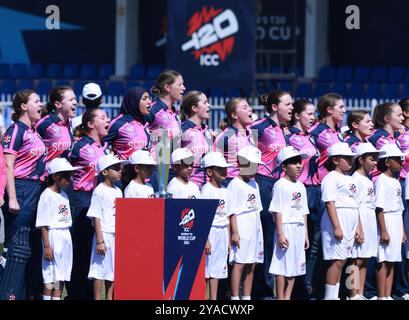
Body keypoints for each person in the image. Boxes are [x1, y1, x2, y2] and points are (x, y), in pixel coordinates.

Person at [0, 89, 46, 300]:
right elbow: (8, 165)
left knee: (27, 248)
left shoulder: (33, 131)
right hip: (20, 189)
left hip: (35, 189)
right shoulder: (15, 130)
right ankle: (9, 295)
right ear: (23, 106)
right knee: (17, 248)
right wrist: (12, 197)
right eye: (36, 101)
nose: (41, 104)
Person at [250, 90, 292, 299]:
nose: (292, 108)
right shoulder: (259, 127)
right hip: (263, 182)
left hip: (280, 185)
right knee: (266, 236)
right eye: (287, 104)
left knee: (278, 234)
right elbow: (236, 142)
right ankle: (263, 289)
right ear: (275, 107)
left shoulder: (286, 131)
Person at [67, 108, 110, 300]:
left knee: (95, 250)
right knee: (81, 248)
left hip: (100, 199)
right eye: (102, 117)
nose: (107, 119)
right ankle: (76, 294)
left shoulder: (106, 147)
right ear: (91, 124)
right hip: (81, 200)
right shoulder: (79, 146)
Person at [320, 142, 362, 300]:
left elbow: (354, 204)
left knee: (346, 259)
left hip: (351, 221)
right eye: (347, 158)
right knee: (336, 260)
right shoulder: (330, 178)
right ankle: (330, 296)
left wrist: (358, 227)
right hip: (337, 220)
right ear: (336, 160)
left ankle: (346, 295)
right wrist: (336, 226)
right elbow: (330, 203)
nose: (351, 162)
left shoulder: (350, 179)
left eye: (352, 158)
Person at [287, 99, 320, 296]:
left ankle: (305, 285)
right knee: (295, 239)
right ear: (297, 115)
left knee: (312, 240)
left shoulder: (311, 136)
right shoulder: (289, 136)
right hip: (297, 190)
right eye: (308, 113)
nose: (312, 117)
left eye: (313, 113)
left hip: (312, 190)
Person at [35, 158, 79, 300]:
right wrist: (47, 246)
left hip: (65, 236)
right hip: (53, 237)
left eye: (70, 176)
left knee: (59, 278)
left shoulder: (64, 195)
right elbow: (43, 223)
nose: (69, 180)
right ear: (55, 176)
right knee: (50, 277)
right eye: (66, 176)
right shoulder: (46, 196)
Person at [268, 146, 309, 300]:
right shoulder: (280, 185)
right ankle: (280, 297)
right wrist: (280, 234)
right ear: (284, 167)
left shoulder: (301, 186)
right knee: (281, 266)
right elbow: (277, 210)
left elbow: (304, 211)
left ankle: (287, 296)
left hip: (298, 228)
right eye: (293, 163)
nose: (298, 166)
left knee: (295, 265)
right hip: (285, 227)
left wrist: (305, 234)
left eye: (299, 162)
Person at [87, 154, 126, 300]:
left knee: (112, 270)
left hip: (115, 234)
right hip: (103, 234)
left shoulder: (118, 191)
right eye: (116, 168)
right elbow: (96, 216)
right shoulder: (99, 191)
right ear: (104, 172)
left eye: (120, 168)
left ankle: (109, 297)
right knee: (99, 270)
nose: (120, 171)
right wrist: (100, 241)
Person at [228, 146, 264, 300]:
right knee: (240, 263)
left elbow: (257, 209)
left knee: (252, 263)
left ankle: (247, 297)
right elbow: (232, 212)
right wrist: (235, 232)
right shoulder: (234, 184)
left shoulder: (254, 184)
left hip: (254, 225)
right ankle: (235, 297)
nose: (255, 169)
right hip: (242, 226)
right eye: (253, 165)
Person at [349, 143, 384, 300]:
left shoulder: (368, 180)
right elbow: (354, 206)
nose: (375, 163)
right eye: (372, 159)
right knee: (355, 260)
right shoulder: (355, 179)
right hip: (360, 220)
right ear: (361, 160)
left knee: (365, 259)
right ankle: (352, 294)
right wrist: (359, 227)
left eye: (376, 159)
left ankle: (360, 293)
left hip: (369, 220)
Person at [375, 144, 407, 300]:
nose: (401, 163)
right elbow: (379, 208)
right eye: (397, 160)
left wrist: (402, 231)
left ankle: (387, 295)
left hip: (396, 220)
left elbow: (400, 208)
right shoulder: (381, 180)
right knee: (384, 260)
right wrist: (384, 230)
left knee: (393, 260)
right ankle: (381, 295)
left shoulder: (395, 181)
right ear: (387, 162)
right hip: (386, 220)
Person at [146, 70, 185, 191]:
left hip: (173, 167)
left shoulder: (176, 111)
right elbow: (139, 130)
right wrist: (150, 135)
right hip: (157, 167)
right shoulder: (153, 109)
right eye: (179, 85)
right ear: (167, 87)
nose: (183, 88)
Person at [201, 152, 232, 300]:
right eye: (220, 169)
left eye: (225, 168)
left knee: (218, 269)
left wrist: (228, 237)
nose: (224, 171)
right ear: (209, 172)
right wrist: (206, 239)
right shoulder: (206, 190)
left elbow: (226, 217)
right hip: (211, 232)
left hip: (222, 232)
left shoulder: (226, 191)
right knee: (207, 269)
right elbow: (203, 218)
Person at [213, 98, 254, 185]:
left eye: (249, 106)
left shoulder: (252, 132)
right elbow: (215, 162)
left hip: (250, 181)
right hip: (231, 182)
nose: (250, 109)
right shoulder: (225, 136)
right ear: (235, 115)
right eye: (245, 107)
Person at [104, 87, 151, 160]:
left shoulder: (146, 123)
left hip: (144, 170)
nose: (149, 102)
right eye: (144, 98)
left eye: (149, 98)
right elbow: (102, 146)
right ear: (134, 101)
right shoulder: (118, 123)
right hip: (124, 170)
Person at [180, 91, 213, 189]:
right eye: (205, 103)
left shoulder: (207, 131)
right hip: (189, 186)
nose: (209, 105)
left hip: (207, 186)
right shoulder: (182, 130)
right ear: (194, 108)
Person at [368, 102, 404, 180]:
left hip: (393, 181)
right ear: (387, 118)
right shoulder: (377, 137)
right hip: (378, 182)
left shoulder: (395, 135)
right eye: (399, 115)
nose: (402, 118)